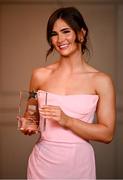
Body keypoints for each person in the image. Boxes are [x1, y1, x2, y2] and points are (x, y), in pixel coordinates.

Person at [19, 7, 116, 179]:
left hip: (79, 164)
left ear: (81, 33)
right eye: (54, 34)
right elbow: (32, 116)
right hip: (42, 163)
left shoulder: (101, 80)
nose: (59, 39)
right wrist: (28, 124)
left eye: (66, 31)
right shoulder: (39, 75)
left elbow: (107, 134)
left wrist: (67, 120)